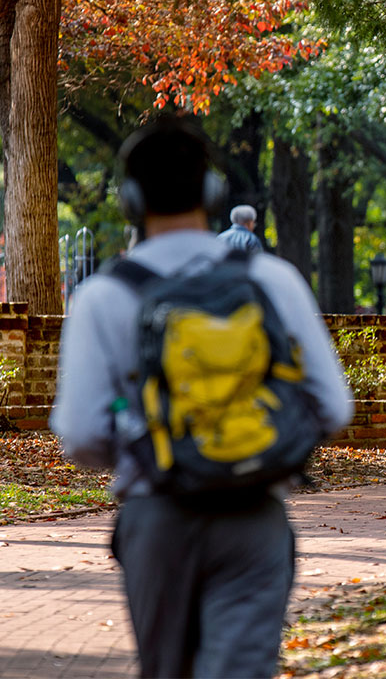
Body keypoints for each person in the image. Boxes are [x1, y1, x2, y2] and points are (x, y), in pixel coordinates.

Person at [50, 115, 354, 679]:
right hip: (255, 515)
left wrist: (150, 438)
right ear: (213, 192)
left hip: (157, 515)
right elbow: (334, 407)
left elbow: (81, 434)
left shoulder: (103, 296)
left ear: (131, 200)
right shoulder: (271, 278)